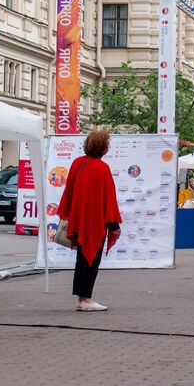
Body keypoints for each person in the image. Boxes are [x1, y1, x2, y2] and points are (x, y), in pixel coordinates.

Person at [57, 128, 123, 312]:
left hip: (79, 221)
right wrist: (114, 225)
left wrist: (71, 215)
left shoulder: (77, 163)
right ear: (103, 147)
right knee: (92, 259)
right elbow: (108, 200)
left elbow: (69, 193)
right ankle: (86, 299)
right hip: (95, 223)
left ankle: (81, 297)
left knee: (82, 259)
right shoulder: (102, 168)